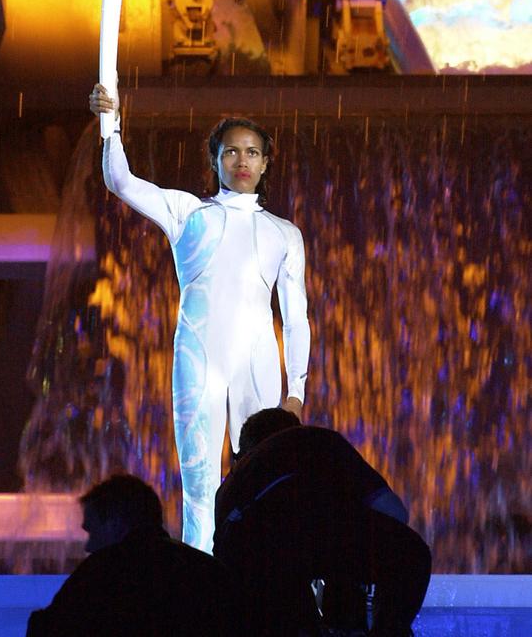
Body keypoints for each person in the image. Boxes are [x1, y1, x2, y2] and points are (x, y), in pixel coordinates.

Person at [89, 82, 311, 551]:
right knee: (200, 480)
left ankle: (267, 582)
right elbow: (120, 181)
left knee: (266, 483)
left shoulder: (285, 234)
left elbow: (296, 320)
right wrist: (111, 127)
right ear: (216, 161)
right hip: (199, 358)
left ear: (266, 163)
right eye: (231, 152)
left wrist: (296, 391)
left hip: (260, 366)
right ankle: (201, 585)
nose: (242, 161)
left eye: (252, 153)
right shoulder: (188, 213)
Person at [214, 408, 431, 637]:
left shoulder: (229, 488)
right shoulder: (314, 441)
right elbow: (394, 513)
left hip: (247, 572)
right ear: (297, 430)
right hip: (304, 549)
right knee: (412, 555)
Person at [26, 473, 236, 637]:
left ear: (115, 523)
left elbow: (50, 628)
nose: (88, 546)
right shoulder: (209, 572)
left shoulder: (100, 576)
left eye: (91, 530)